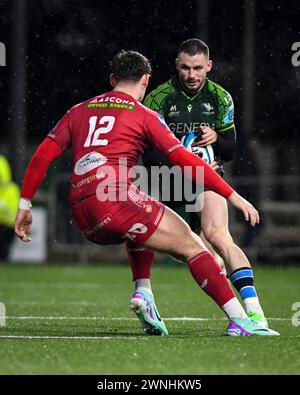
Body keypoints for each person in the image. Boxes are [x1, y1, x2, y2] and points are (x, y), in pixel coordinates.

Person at [14, 50, 278, 337]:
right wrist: (233, 196)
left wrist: (24, 205)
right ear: (145, 79)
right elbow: (184, 160)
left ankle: (143, 292)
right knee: (194, 246)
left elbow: (42, 156)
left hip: (81, 213)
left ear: (112, 78)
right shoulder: (143, 114)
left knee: (139, 225)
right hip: (115, 202)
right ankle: (241, 321)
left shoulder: (78, 110)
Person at [128, 38, 269, 334]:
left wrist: (217, 140)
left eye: (197, 69)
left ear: (209, 66)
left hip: (206, 179)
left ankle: (255, 314)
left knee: (220, 236)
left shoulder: (220, 98)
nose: (191, 75)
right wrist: (178, 156)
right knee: (166, 244)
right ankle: (146, 296)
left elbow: (231, 149)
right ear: (177, 66)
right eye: (185, 68)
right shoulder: (159, 98)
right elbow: (149, 152)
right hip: (167, 182)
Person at [0, 155, 19, 260]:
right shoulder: (12, 189)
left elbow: (12, 210)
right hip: (6, 226)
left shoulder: (12, 190)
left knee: (3, 249)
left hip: (7, 226)